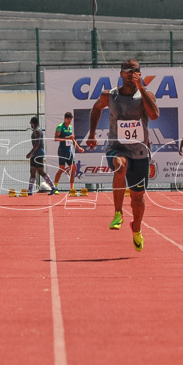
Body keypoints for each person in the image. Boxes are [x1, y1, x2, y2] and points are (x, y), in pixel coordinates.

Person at [86, 58, 160, 251]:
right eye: (127, 71)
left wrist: (141, 88)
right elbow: (95, 109)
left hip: (140, 152)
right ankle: (118, 213)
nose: (130, 74)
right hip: (117, 147)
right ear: (120, 74)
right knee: (120, 165)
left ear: (139, 74)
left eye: (134, 71)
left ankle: (136, 228)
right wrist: (92, 133)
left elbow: (154, 115)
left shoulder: (146, 95)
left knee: (138, 200)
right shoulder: (109, 96)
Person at [53, 112, 85, 193]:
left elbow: (72, 139)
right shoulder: (60, 127)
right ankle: (55, 188)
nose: (70, 120)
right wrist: (67, 138)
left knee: (74, 169)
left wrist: (78, 147)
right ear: (65, 119)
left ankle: (71, 188)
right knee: (61, 169)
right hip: (62, 151)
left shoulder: (70, 127)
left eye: (71, 119)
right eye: (68, 119)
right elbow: (56, 138)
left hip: (69, 151)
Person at [26, 116, 55, 195]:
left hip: (38, 154)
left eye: (31, 123)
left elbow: (38, 144)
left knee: (41, 172)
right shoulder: (36, 131)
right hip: (34, 155)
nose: (30, 125)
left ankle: (53, 187)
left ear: (33, 123)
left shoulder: (38, 131)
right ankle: (30, 190)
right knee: (32, 171)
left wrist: (30, 152)